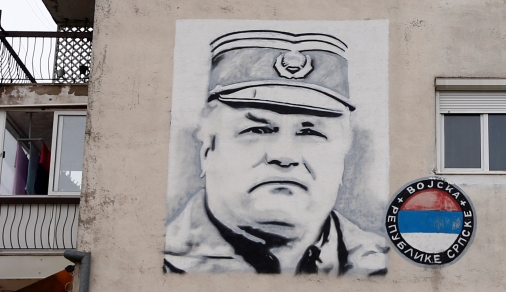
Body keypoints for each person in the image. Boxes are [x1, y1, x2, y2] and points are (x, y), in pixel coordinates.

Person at [164, 30, 388, 276]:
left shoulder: (384, 267)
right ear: (208, 147)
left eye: (310, 133)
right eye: (257, 129)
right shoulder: (157, 265)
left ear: (343, 153)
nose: (285, 155)